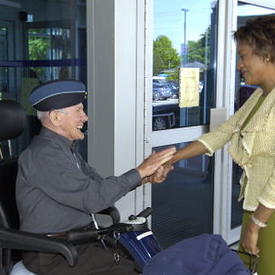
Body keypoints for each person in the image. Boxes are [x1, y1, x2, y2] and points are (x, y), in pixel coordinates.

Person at [16, 79, 175, 275]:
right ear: (56, 117)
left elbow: (100, 186)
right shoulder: (44, 156)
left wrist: (145, 177)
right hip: (53, 252)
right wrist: (141, 170)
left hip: (78, 242)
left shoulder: (63, 150)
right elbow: (93, 199)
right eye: (78, 111)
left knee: (147, 257)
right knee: (136, 269)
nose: (85, 117)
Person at [163, 15, 275, 274]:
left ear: (267, 54)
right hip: (256, 206)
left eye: (244, 56)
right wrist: (173, 159)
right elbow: (223, 132)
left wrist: (255, 225)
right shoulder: (260, 96)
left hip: (267, 213)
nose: (239, 65)